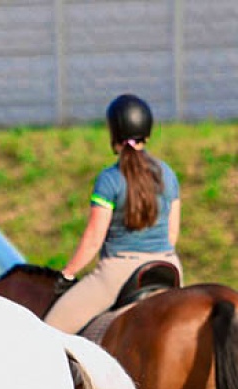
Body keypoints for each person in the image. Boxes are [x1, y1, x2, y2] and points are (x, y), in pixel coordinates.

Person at [44, 93, 182, 334]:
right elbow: (172, 234)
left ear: (114, 133)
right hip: (168, 267)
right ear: (147, 132)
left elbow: (94, 240)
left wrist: (67, 274)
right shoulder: (167, 174)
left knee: (49, 332)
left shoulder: (109, 179)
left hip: (120, 271)